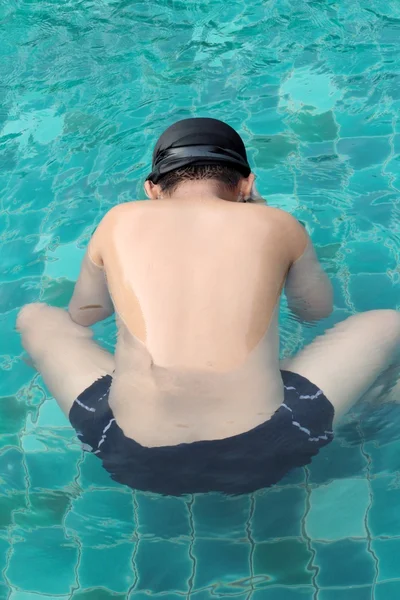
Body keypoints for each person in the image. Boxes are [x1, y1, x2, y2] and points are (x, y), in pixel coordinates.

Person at [17, 118, 400, 495]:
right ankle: (371, 407)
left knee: (35, 319)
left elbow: (87, 313)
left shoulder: (117, 221)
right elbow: (313, 312)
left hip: (127, 453)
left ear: (151, 189)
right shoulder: (278, 224)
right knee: (388, 324)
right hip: (267, 449)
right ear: (247, 184)